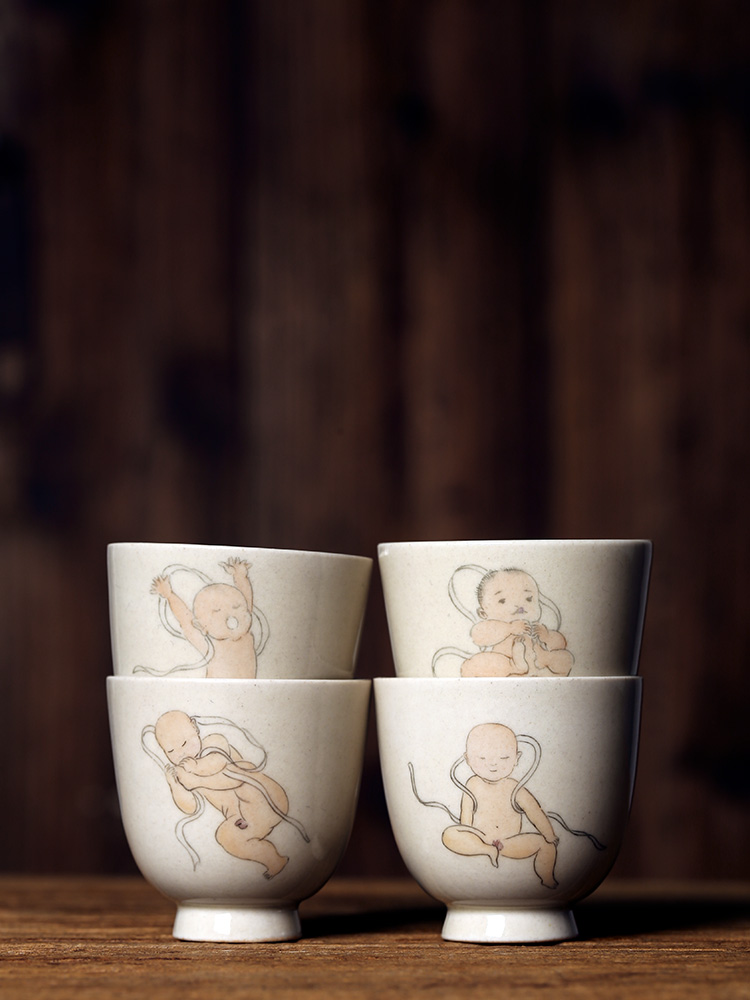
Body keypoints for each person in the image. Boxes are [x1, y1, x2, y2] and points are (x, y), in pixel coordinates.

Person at [154, 710, 290, 877]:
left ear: (195, 728)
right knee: (225, 837)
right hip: (243, 819)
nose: (181, 754)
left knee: (245, 787)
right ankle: (274, 860)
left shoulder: (214, 743)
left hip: (266, 800)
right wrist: (175, 785)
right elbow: (191, 807)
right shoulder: (186, 771)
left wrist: (196, 773)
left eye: (184, 743)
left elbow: (230, 775)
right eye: (171, 751)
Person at [441, 723, 559, 888]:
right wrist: (469, 836)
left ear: (516, 758)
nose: (493, 765)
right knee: (449, 834)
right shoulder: (472, 784)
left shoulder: (514, 787)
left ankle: (547, 877)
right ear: (468, 759)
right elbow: (466, 814)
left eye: (503, 758)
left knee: (545, 845)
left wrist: (549, 834)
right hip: (480, 839)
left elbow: (534, 811)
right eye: (482, 758)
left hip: (508, 842)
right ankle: (486, 850)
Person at [151, 557, 257, 678]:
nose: (231, 615)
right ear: (201, 626)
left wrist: (240, 576)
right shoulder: (210, 646)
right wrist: (169, 595)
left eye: (236, 607)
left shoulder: (246, 633)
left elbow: (246, 601)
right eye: (217, 611)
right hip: (214, 694)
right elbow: (186, 620)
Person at [461, 569, 573, 677]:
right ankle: (515, 666)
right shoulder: (493, 627)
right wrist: (509, 628)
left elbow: (561, 644)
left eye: (528, 599)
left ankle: (545, 658)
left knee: (566, 658)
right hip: (508, 668)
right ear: (483, 614)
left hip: (540, 664)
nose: (519, 605)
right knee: (470, 667)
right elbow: (478, 637)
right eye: (503, 601)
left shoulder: (536, 628)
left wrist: (547, 636)